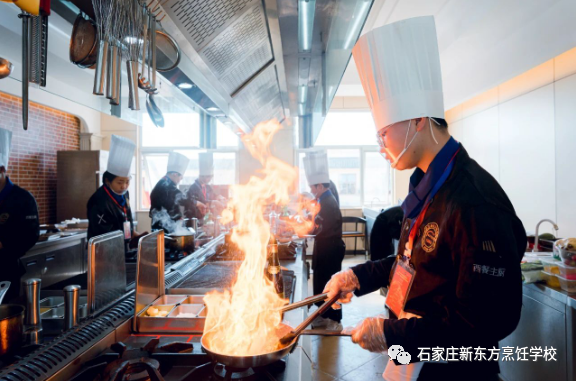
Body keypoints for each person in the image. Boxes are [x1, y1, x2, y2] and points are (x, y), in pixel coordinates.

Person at [324, 17, 525, 381]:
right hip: (415, 363)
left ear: (418, 120)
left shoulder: (474, 202)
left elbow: (482, 325)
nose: (381, 145)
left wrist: (391, 335)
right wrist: (355, 277)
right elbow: (414, 263)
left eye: (383, 133)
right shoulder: (427, 189)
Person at [303, 151, 345, 330]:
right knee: (321, 284)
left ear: (320, 186)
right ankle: (321, 316)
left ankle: (332, 320)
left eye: (313, 187)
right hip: (326, 249)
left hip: (330, 250)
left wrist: (302, 229)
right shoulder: (324, 199)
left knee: (329, 286)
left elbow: (317, 227)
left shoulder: (328, 203)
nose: (312, 191)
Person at [87, 135, 147, 254]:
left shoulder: (125, 195)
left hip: (121, 250)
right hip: (103, 252)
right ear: (108, 181)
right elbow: (102, 235)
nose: (124, 186)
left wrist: (134, 235)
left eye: (127, 182)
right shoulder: (99, 200)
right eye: (120, 182)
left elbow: (125, 219)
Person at [0, 128, 40, 302]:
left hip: (6, 269)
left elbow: (30, 235)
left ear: (2, 170)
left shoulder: (23, 199)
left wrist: (4, 245)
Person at [150, 152, 205, 232]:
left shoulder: (165, 182)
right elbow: (179, 196)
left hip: (166, 225)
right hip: (162, 227)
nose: (180, 181)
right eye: (180, 178)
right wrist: (196, 203)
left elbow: (172, 203)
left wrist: (178, 216)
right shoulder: (165, 184)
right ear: (175, 174)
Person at [187, 152, 226, 218]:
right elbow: (192, 202)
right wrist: (213, 202)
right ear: (199, 175)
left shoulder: (207, 187)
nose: (206, 179)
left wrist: (219, 197)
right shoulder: (193, 188)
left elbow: (213, 196)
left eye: (208, 177)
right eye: (203, 177)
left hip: (206, 218)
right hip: (196, 218)